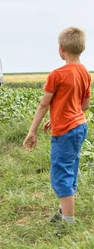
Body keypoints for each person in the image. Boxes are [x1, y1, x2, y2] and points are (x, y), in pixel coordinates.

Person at [23, 27, 90, 225]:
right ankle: (63, 211)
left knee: (61, 173)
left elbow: (44, 103)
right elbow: (84, 105)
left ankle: (68, 222)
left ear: (61, 49)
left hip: (67, 131)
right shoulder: (85, 72)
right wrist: (57, 117)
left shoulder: (57, 74)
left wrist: (32, 130)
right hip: (80, 126)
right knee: (71, 167)